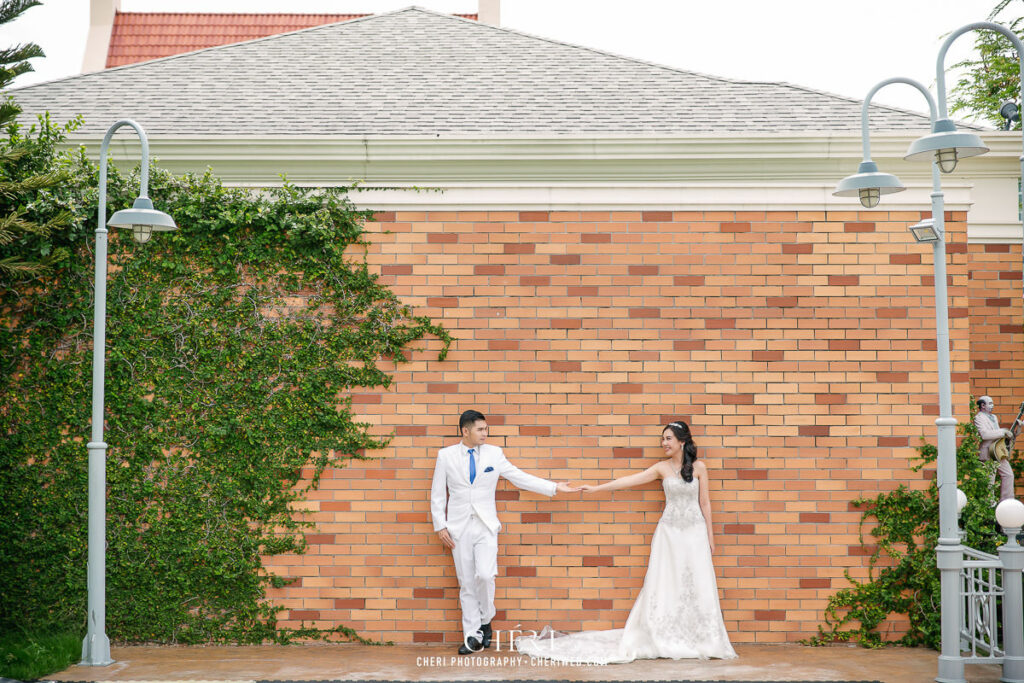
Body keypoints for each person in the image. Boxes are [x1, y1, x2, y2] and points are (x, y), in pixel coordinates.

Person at [515, 420, 736, 663]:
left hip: (694, 533)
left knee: (696, 582)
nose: (664, 443)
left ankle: (701, 638)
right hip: (669, 535)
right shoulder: (661, 468)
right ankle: (662, 635)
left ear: (682, 441)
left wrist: (710, 538)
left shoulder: (699, 468)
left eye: (668, 438)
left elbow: (705, 503)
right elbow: (630, 480)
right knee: (665, 581)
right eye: (662, 439)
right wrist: (598, 488)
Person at [430, 409, 579, 655]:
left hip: (486, 526)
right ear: (465, 431)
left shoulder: (494, 454)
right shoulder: (445, 456)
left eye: (486, 429)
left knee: (486, 575)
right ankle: (472, 636)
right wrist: (440, 525)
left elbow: (518, 477)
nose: (485, 434)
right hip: (458, 528)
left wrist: (554, 487)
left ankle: (485, 619)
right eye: (480, 429)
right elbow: (437, 493)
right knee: (466, 583)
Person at [974, 395, 1017, 502]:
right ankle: (989, 505)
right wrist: (1002, 432)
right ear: (983, 405)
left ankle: (1007, 501)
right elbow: (984, 435)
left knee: (1008, 475)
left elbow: (997, 434)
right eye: (990, 403)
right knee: (990, 480)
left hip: (997, 450)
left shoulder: (994, 417)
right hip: (988, 452)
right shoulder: (979, 418)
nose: (992, 406)